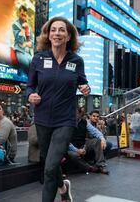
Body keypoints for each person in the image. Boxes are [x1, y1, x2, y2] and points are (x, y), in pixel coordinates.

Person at [26, 16, 90, 202]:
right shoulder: (38, 59)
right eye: (53, 30)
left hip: (65, 120)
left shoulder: (76, 61)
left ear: (68, 36)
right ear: (48, 34)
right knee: (49, 163)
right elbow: (29, 86)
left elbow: (83, 83)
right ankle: (63, 187)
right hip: (42, 119)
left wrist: (86, 88)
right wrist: (30, 95)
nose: (57, 33)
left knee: (49, 167)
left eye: (62, 30)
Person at [67, 108, 109, 174]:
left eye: (77, 113)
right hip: (71, 147)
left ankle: (101, 165)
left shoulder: (84, 122)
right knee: (74, 155)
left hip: (83, 144)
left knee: (97, 141)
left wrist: (102, 138)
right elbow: (66, 141)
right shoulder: (67, 123)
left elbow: (94, 131)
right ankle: (89, 168)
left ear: (80, 114)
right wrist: (77, 150)